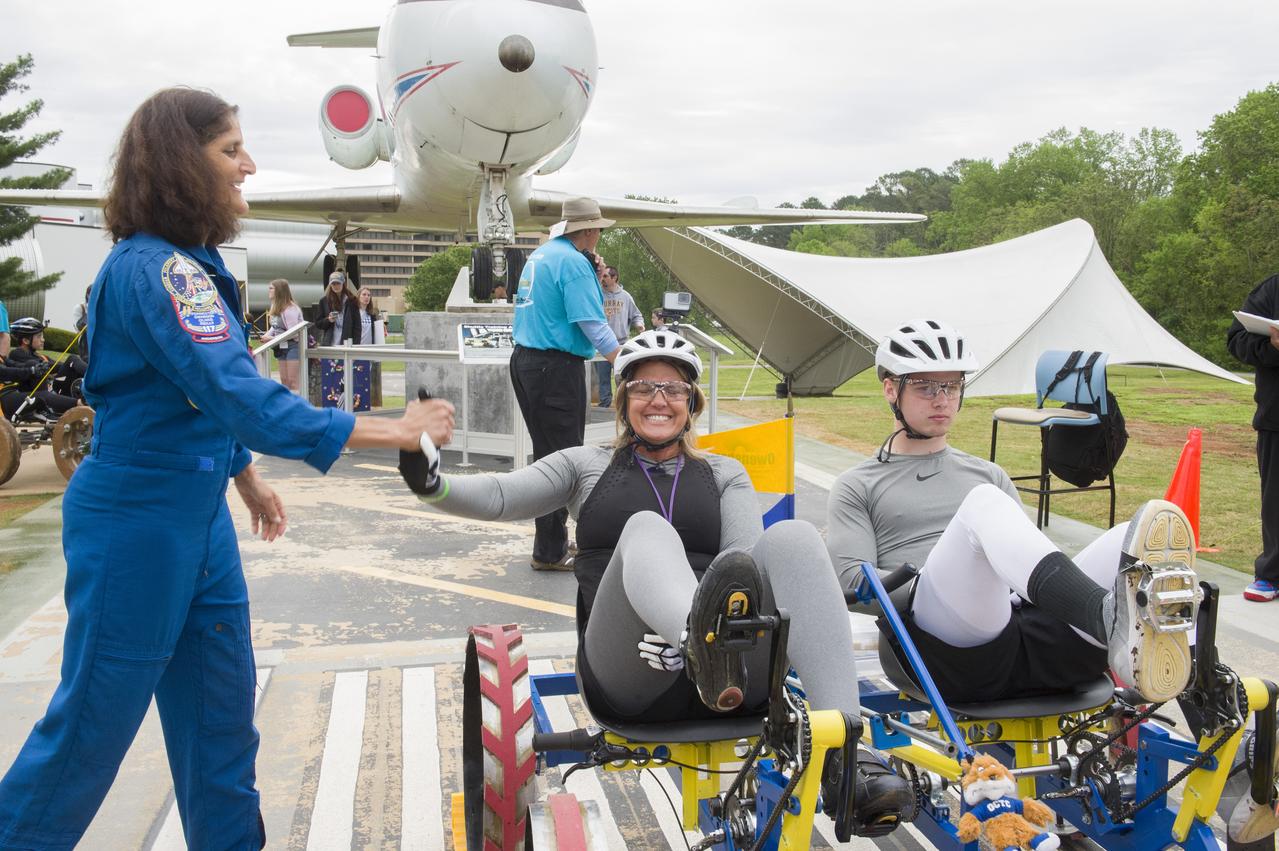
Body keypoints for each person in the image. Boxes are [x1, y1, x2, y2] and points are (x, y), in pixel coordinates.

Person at [0, 87, 455, 851]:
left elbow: (197, 387)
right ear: (182, 162)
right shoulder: (156, 271)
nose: (248, 164)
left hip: (195, 517)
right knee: (88, 733)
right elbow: (236, 391)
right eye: (229, 150)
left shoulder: (192, 263)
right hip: (137, 525)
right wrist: (394, 431)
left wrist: (243, 475)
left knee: (219, 721)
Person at [399, 329, 912, 829]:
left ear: (692, 402)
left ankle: (846, 753)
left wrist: (739, 627)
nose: (659, 399)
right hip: (632, 665)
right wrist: (433, 484)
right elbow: (503, 495)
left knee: (794, 538)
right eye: (644, 387)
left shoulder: (723, 471)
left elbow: (742, 566)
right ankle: (696, 641)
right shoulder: (585, 465)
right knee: (647, 528)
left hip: (732, 677)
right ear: (623, 400)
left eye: (674, 389)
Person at [827, 319, 1200, 706]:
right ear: (891, 389)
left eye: (952, 386)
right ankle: (1105, 616)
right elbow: (852, 584)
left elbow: (1029, 563)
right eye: (925, 387)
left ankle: (1200, 684)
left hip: (1037, 643)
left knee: (1144, 530)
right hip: (948, 651)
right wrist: (927, 582)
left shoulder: (988, 473)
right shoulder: (858, 485)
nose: (942, 399)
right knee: (984, 502)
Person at [511, 197, 622, 571]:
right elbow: (592, 324)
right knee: (564, 461)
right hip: (555, 366)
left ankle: (551, 543)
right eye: (599, 230)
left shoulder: (543, 254)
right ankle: (550, 550)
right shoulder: (575, 264)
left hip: (527, 360)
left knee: (547, 455)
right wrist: (629, 364)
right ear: (590, 231)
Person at [1226, 276, 1279, 602]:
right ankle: (1270, 575)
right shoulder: (1271, 290)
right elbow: (1237, 340)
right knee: (1275, 500)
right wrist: (1272, 347)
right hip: (1276, 418)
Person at [4, 317, 84, 415]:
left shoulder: (40, 356)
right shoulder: (17, 353)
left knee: (73, 361)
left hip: (52, 391)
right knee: (72, 359)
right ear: (25, 340)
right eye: (39, 336)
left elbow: (57, 365)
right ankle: (92, 378)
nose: (43, 340)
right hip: (37, 395)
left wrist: (70, 366)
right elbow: (41, 366)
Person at [595, 265, 644, 408]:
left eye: (605, 276)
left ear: (614, 278)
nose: (602, 279)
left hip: (621, 343)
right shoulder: (598, 294)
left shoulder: (626, 296)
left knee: (621, 376)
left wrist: (639, 325)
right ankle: (604, 403)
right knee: (603, 377)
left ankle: (623, 404)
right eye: (602, 276)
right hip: (603, 343)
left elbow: (636, 315)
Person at [313, 270, 362, 409]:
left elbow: (357, 325)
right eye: (333, 284)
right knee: (331, 376)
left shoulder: (351, 300)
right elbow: (318, 323)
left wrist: (355, 345)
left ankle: (347, 406)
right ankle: (331, 407)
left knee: (346, 377)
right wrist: (328, 320)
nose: (335, 286)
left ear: (343, 284)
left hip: (347, 344)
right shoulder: (324, 301)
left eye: (338, 283)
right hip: (330, 344)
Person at [261, 278, 305, 393]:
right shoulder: (275, 306)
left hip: (293, 346)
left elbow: (293, 332)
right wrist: (267, 334)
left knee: (292, 381)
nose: (268, 291)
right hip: (281, 346)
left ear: (279, 291)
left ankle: (297, 405)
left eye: (271, 288)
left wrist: (271, 338)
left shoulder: (290, 309)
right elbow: (275, 326)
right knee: (284, 380)